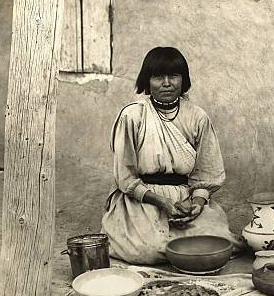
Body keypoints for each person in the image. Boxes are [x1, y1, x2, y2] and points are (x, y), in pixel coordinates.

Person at [101, 47, 241, 264]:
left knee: (220, 241)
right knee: (149, 250)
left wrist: (197, 202)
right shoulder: (132, 116)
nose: (166, 83)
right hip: (142, 198)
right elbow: (125, 176)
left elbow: (206, 171)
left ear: (183, 80)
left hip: (184, 197)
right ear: (147, 81)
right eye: (157, 76)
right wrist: (162, 202)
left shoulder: (197, 117)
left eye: (173, 76)